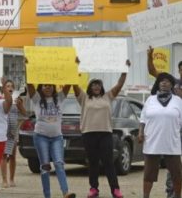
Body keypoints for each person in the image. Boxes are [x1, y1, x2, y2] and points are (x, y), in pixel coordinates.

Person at [72, 60, 130, 198]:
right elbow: (74, 84)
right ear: (90, 87)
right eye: (94, 84)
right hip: (88, 134)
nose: (96, 86)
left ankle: (115, 189)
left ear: (101, 87)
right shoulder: (84, 98)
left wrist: (125, 70)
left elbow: (119, 84)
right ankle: (94, 189)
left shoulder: (108, 96)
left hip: (105, 134)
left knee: (108, 162)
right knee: (92, 162)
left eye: (98, 84)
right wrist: (75, 67)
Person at [27, 82, 76, 198]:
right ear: (40, 88)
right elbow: (29, 85)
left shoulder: (59, 98)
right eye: (45, 85)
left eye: (50, 85)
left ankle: (65, 192)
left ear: (54, 87)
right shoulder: (37, 98)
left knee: (59, 163)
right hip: (41, 137)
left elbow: (68, 83)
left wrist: (73, 66)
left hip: (57, 138)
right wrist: (27, 66)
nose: (48, 87)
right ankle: (47, 195)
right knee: (45, 167)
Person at [138, 72, 182, 198]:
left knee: (177, 174)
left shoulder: (178, 101)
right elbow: (143, 119)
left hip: (172, 144)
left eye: (167, 81)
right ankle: (146, 196)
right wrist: (141, 132)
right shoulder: (150, 100)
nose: (164, 83)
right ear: (158, 84)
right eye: (161, 81)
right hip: (152, 143)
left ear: (172, 85)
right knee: (148, 174)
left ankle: (178, 196)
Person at [147, 46, 182, 198]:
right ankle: (171, 193)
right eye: (181, 69)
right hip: (175, 131)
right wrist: (150, 56)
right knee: (173, 164)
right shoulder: (172, 83)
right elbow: (153, 71)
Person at [0, 80, 26, 188]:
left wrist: (20, 104)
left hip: (13, 131)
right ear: (3, 88)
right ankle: (4, 180)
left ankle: (12, 179)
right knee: (4, 155)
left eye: (11, 86)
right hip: (2, 131)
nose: (10, 88)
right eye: (7, 86)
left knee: (13, 155)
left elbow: (24, 113)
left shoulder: (16, 99)